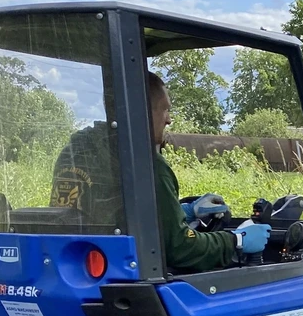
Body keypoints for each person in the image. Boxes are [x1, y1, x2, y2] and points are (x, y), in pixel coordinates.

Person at [50, 71, 271, 272]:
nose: (169, 119)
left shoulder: (79, 149)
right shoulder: (146, 164)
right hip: (129, 276)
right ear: (142, 110)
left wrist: (184, 211)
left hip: (72, 265)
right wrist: (236, 240)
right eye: (164, 109)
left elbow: (107, 213)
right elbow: (180, 249)